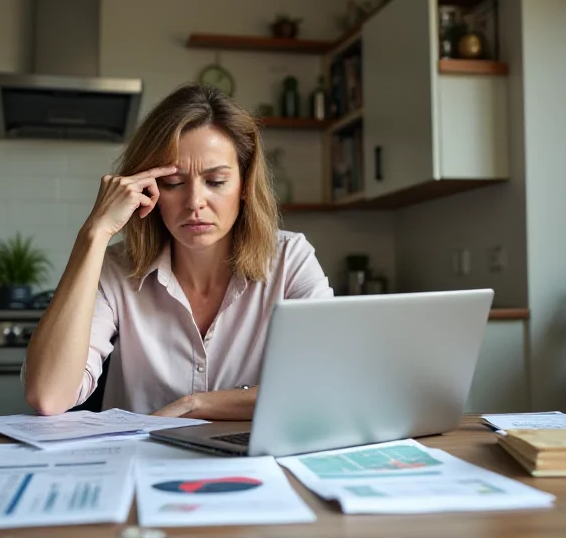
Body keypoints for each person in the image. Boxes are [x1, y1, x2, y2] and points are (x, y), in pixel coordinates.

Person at [22, 84, 333, 420]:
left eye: (215, 182)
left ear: (244, 186)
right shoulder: (116, 269)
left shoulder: (290, 259)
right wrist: (95, 233)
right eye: (173, 183)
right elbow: (48, 396)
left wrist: (195, 404)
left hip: (250, 466)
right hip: (136, 464)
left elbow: (326, 382)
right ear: (147, 188)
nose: (195, 202)